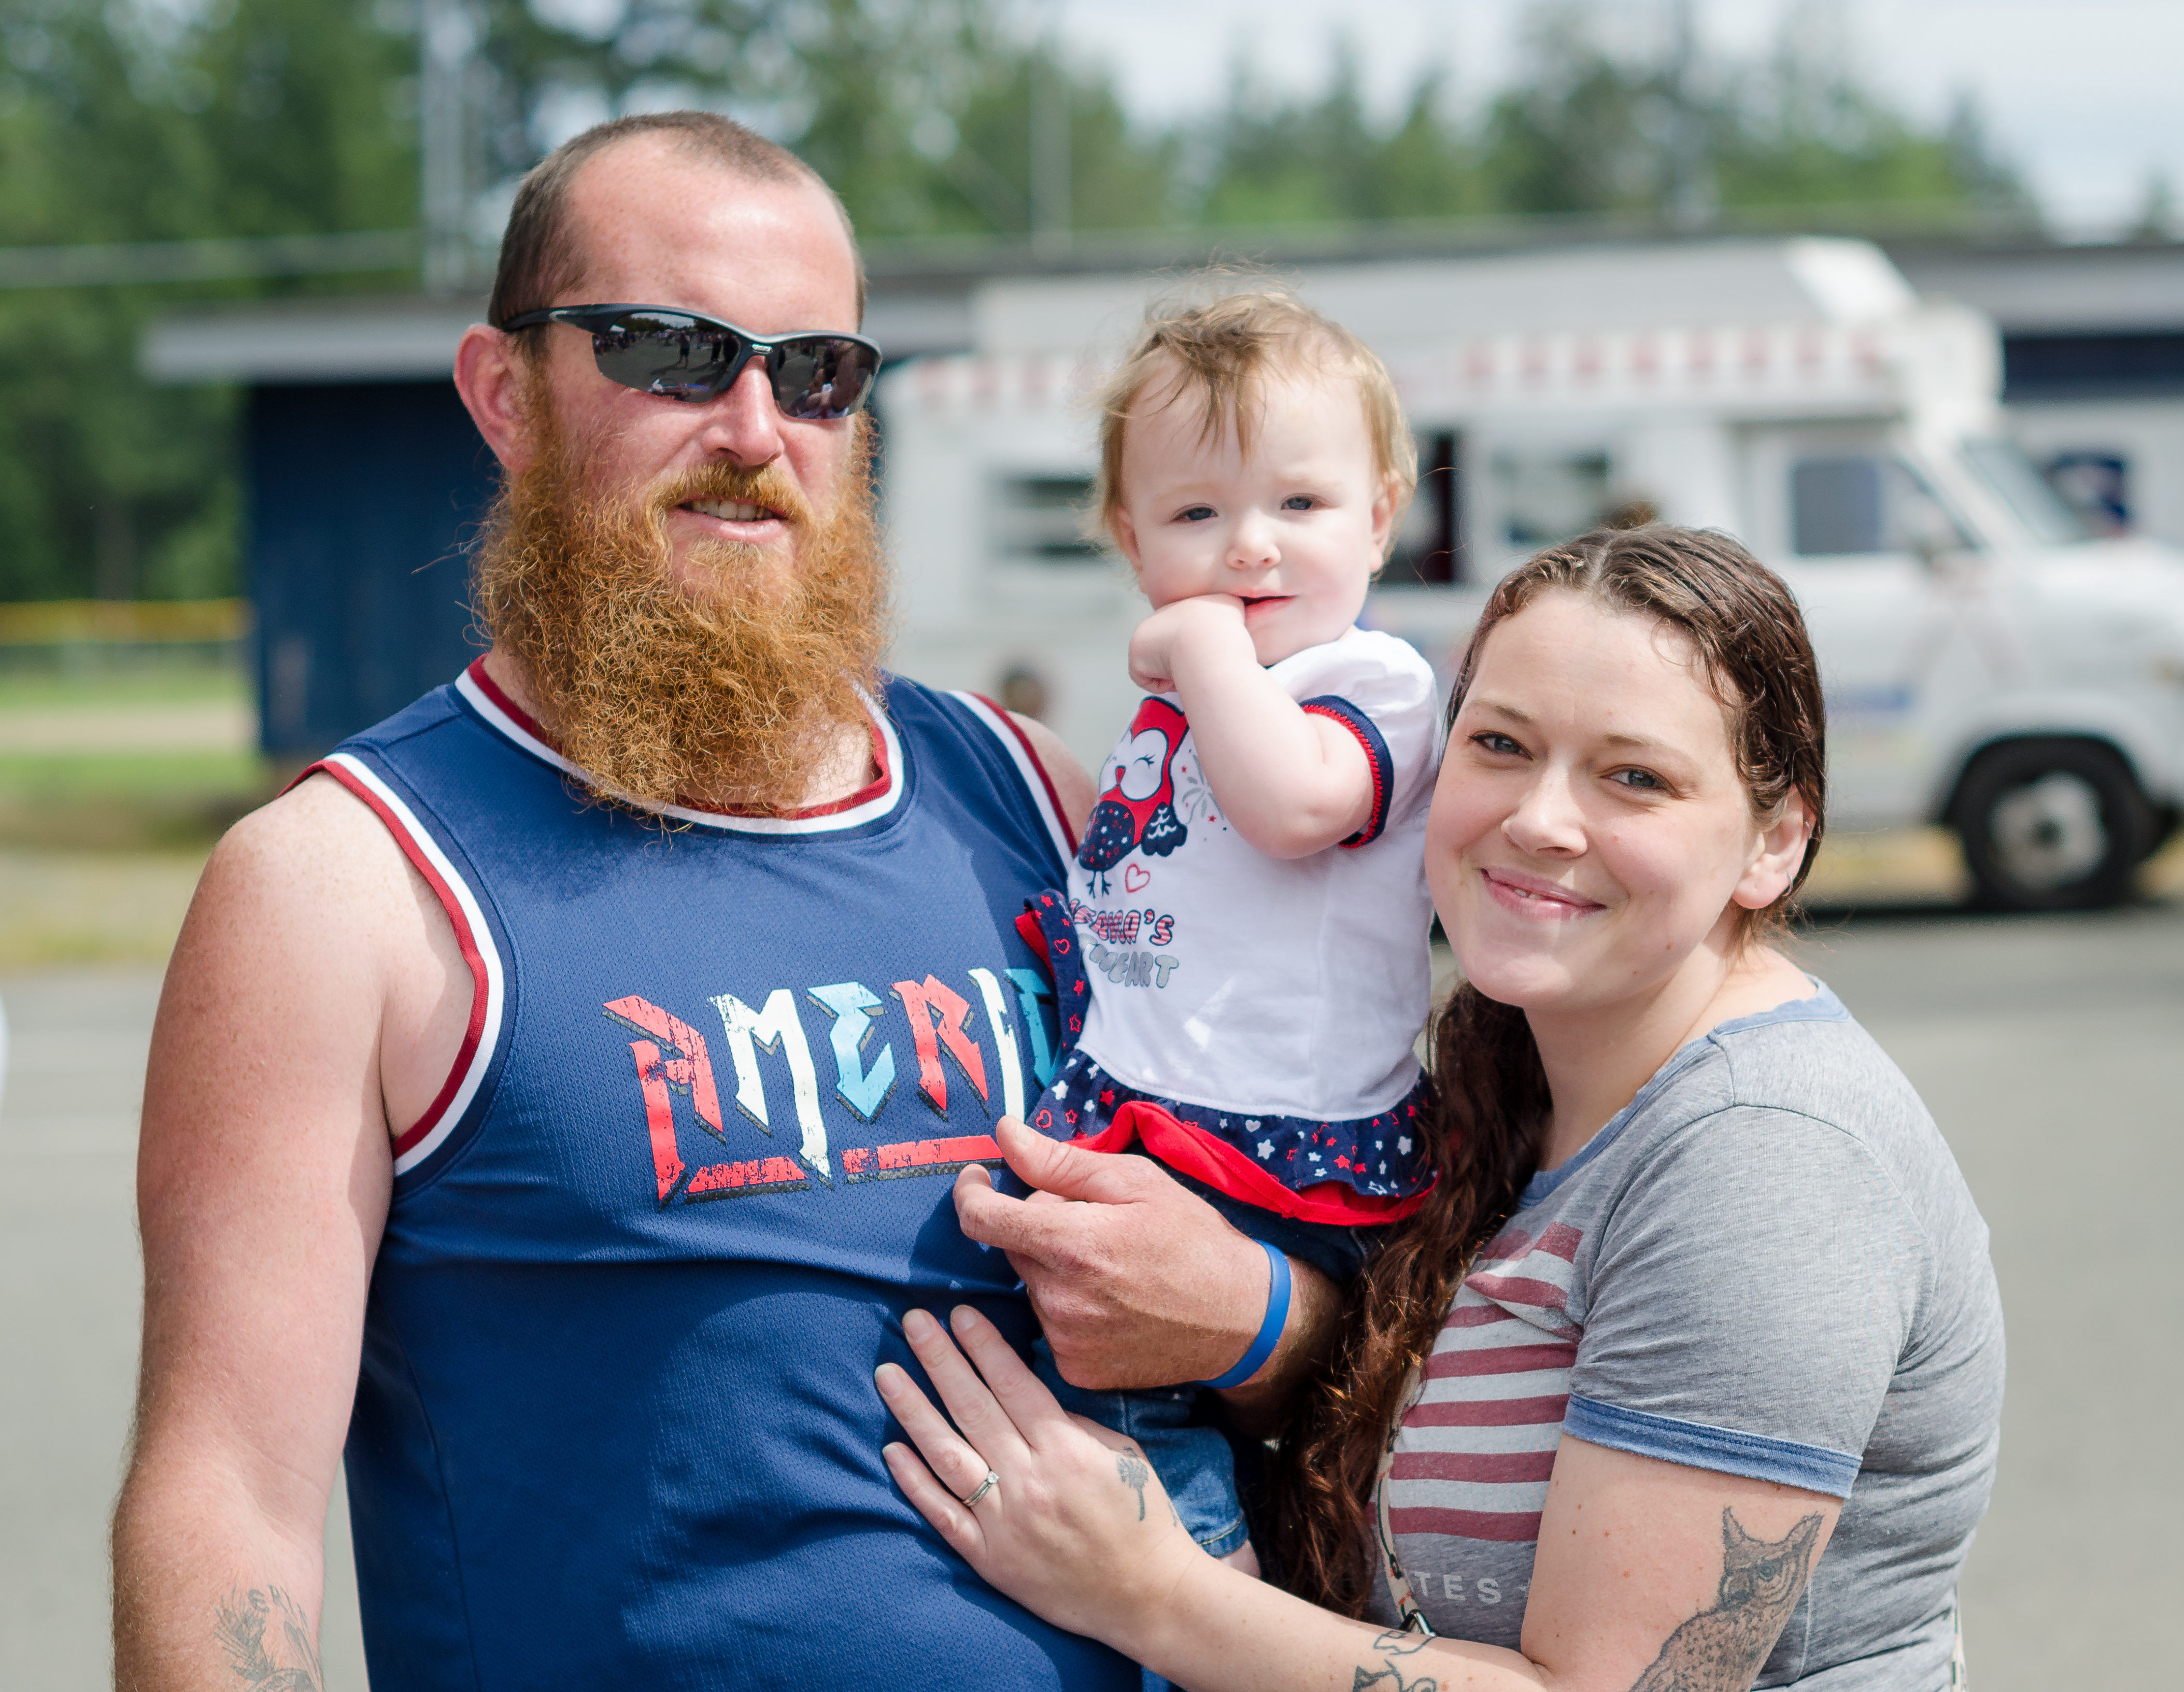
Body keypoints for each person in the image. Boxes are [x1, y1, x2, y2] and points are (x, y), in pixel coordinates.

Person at [110, 111, 1345, 1691]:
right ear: (507, 394)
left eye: (818, 371)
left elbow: (1344, 1305)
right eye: (673, 353)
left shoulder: (1046, 805)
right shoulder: (345, 884)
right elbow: (227, 1505)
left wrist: (1250, 1316)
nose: (757, 426)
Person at [885, 525, 2006, 1691]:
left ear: (1773, 842)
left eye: (1635, 777)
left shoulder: (1767, 1163)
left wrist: (1146, 1591)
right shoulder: (1509, 1073)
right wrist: (1258, 1317)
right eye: (1502, 746)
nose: (1539, 820)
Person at [1018, 291, 1439, 1572]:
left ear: (1379, 513)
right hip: (1173, 1102)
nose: (1250, 548)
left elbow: (1295, 806)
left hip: (1276, 1129)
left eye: (1299, 507)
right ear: (1128, 538)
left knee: (1126, 1401)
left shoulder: (1372, 682)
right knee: (1091, 1364)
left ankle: (1209, 1596)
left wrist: (1198, 645)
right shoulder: (1218, 691)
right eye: (1198, 515)